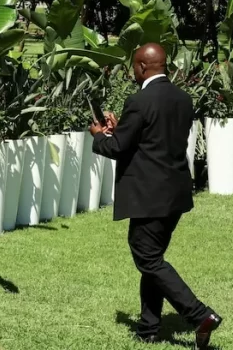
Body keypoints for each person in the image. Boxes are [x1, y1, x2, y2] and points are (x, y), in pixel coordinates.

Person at [90, 43, 222, 349]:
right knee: (153, 259)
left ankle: (200, 315)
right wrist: (120, 128)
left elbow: (118, 148)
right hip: (174, 192)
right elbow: (155, 138)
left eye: (132, 67)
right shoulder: (183, 98)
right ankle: (148, 328)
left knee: (147, 258)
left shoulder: (139, 100)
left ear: (141, 67)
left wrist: (100, 136)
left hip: (149, 194)